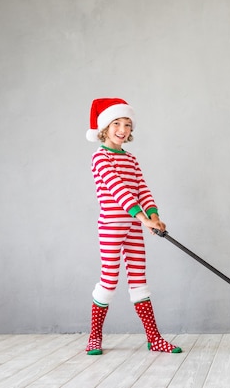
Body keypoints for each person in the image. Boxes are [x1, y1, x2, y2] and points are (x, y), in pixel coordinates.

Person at [84, 97, 181, 355]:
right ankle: (94, 337)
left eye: (127, 124)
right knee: (109, 281)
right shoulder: (101, 158)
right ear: (105, 127)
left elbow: (141, 190)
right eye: (116, 123)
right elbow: (119, 192)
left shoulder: (131, 159)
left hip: (134, 226)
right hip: (112, 227)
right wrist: (144, 218)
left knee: (139, 281)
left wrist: (154, 214)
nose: (123, 129)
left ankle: (154, 338)